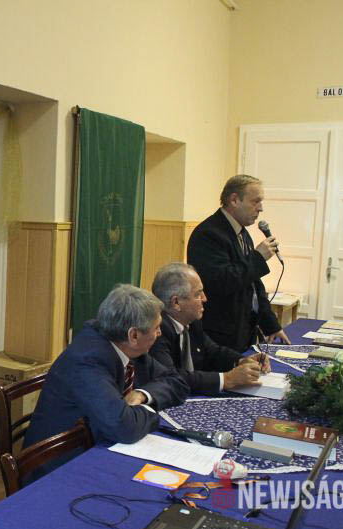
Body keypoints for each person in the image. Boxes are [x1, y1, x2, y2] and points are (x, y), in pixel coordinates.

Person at [21, 284, 188, 480]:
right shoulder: (87, 360)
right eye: (156, 328)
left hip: (93, 444)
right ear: (134, 335)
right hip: (55, 469)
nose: (159, 333)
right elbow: (124, 427)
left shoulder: (123, 343)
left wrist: (142, 395)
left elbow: (177, 382)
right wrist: (150, 411)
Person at [187, 175, 291, 352]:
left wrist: (271, 325)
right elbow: (222, 281)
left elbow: (254, 286)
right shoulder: (208, 234)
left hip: (244, 332)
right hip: (220, 337)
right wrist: (258, 258)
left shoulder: (243, 233)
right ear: (234, 200)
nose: (261, 208)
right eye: (255, 201)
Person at [149, 263, 271, 395]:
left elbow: (212, 351)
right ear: (176, 303)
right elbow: (170, 377)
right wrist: (227, 379)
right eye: (198, 294)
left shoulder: (192, 322)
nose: (205, 299)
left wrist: (241, 360)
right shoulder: (156, 330)